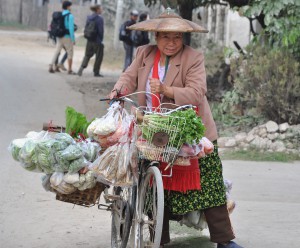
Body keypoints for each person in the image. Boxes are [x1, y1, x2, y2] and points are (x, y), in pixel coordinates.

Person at [109, 10, 243, 248]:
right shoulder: (144, 53)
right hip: (152, 127)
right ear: (156, 36)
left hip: (188, 129)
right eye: (165, 37)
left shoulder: (194, 57)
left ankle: (224, 240)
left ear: (183, 38)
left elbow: (196, 92)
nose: (171, 43)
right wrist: (117, 92)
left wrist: (165, 89)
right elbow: (128, 77)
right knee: (148, 180)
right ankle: (158, 238)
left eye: (177, 38)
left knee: (209, 181)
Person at [49, 1, 76, 75]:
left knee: (57, 51)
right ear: (68, 7)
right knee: (70, 52)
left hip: (59, 36)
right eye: (70, 6)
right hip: (67, 37)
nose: (71, 7)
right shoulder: (70, 16)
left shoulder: (60, 14)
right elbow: (71, 28)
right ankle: (70, 69)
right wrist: (73, 39)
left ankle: (51, 65)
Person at [77, 4, 104, 77]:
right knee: (99, 56)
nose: (102, 10)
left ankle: (81, 68)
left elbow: (86, 27)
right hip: (97, 40)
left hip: (89, 39)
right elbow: (100, 30)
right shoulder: (99, 19)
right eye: (101, 9)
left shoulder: (89, 17)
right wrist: (101, 39)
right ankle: (96, 72)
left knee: (87, 55)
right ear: (97, 9)